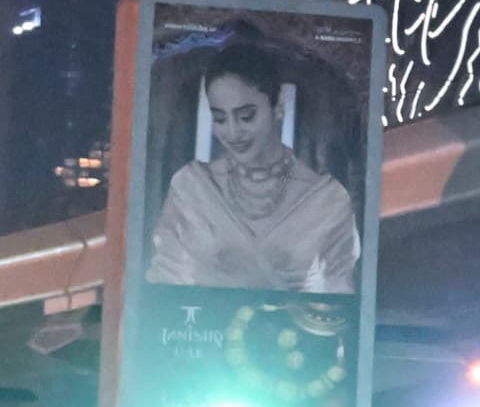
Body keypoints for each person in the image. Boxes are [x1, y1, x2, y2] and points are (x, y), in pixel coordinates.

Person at [144, 40, 361, 291]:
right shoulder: (191, 188)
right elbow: (163, 289)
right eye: (220, 118)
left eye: (246, 116)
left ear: (278, 107)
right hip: (201, 328)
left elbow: (339, 302)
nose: (233, 132)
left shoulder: (328, 201)